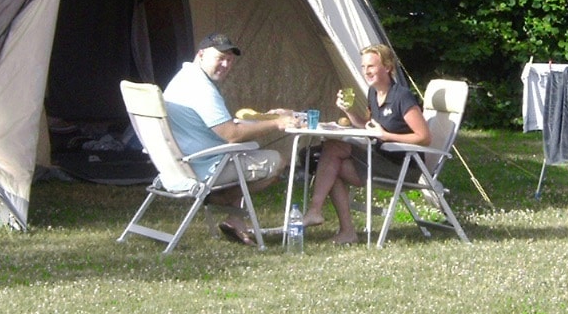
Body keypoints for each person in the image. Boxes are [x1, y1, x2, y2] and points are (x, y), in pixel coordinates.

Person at [160, 32, 293, 244]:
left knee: (240, 157)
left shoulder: (185, 78)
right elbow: (231, 135)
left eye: (230, 60)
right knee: (278, 160)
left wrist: (265, 117)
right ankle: (216, 199)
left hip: (180, 164)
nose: (225, 65)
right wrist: (277, 123)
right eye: (220, 58)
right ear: (201, 54)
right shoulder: (201, 88)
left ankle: (235, 220)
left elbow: (221, 127)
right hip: (203, 168)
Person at [304, 44, 431, 243]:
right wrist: (348, 112)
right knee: (331, 167)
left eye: (371, 66)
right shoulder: (374, 93)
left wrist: (386, 135)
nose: (366, 72)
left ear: (388, 67)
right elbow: (369, 126)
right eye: (364, 67)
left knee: (332, 148)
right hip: (379, 160)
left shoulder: (402, 96)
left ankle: (314, 210)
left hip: (403, 167)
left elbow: (423, 137)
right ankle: (346, 231)